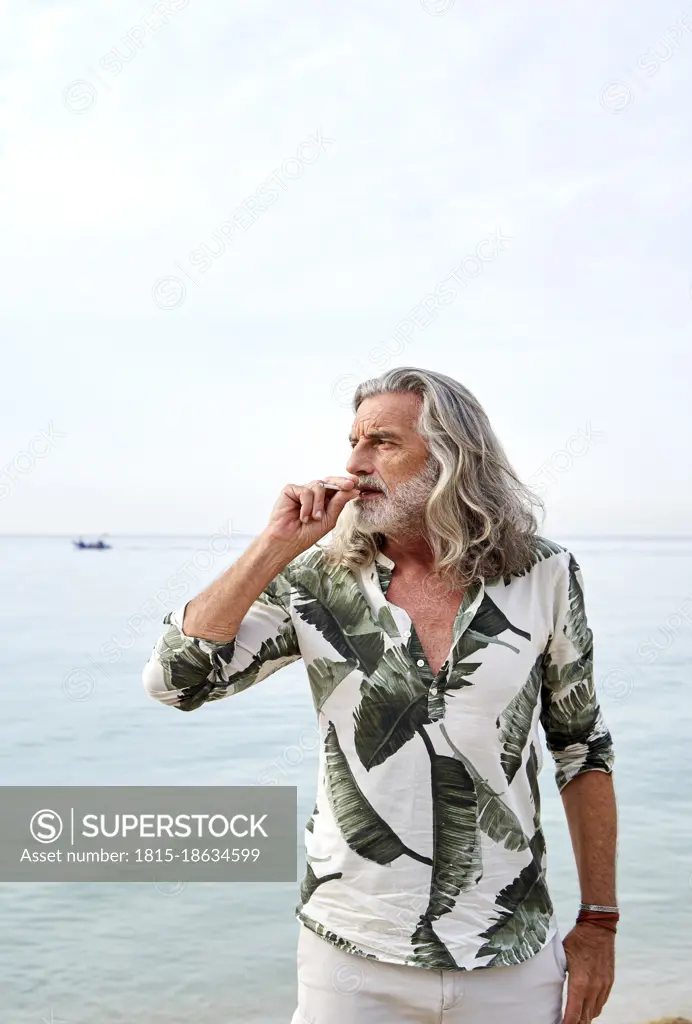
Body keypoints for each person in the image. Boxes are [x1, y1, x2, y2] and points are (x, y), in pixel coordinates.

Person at [142, 367, 617, 1024]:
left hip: (508, 950)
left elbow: (581, 748)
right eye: (353, 442)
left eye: (382, 443)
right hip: (352, 953)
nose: (354, 463)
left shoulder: (544, 574)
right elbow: (175, 681)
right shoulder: (317, 577)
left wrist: (599, 924)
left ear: (451, 454)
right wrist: (272, 548)